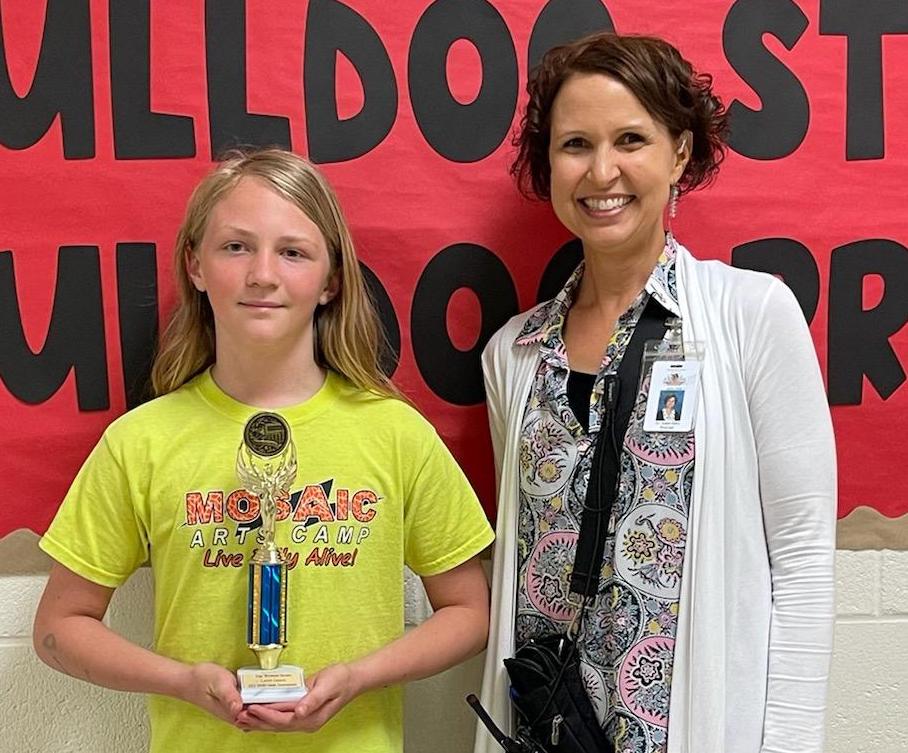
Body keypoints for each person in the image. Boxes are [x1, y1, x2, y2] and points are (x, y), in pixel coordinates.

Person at [33, 149, 494, 753]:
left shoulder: (396, 434)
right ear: (195, 265)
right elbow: (58, 628)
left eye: (293, 252)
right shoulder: (140, 441)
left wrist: (361, 677)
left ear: (331, 280)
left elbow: (469, 612)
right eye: (236, 247)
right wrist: (182, 681)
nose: (263, 275)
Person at [476, 32, 836, 753]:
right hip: (547, 728)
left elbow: (801, 554)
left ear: (679, 153)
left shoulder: (750, 315)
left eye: (631, 139)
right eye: (575, 144)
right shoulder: (513, 355)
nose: (601, 170)